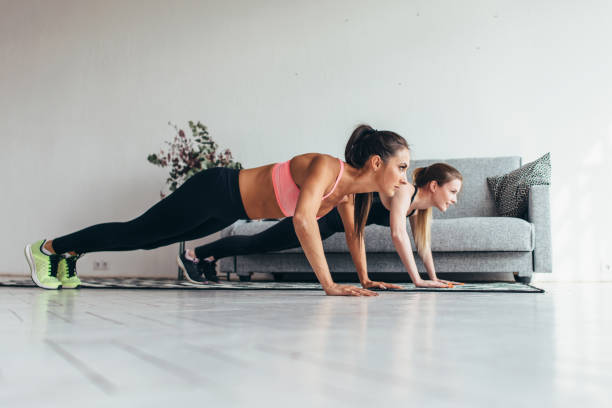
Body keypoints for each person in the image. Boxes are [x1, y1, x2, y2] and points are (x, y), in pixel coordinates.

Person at [25, 125, 409, 296]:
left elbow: (354, 234)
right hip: (216, 190)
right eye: (402, 167)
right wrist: (329, 285)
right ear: (377, 163)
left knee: (147, 241)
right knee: (137, 232)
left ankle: (69, 254)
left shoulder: (346, 196)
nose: (404, 179)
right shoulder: (326, 168)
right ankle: (49, 249)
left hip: (227, 210)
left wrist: (365, 279)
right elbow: (303, 219)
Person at [179, 164, 464, 289]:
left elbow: (422, 245)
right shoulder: (405, 191)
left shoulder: (420, 210)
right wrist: (417, 280)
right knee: (259, 243)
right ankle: (194, 254)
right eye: (453, 192)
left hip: (330, 225)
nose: (455, 199)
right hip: (319, 219)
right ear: (434, 185)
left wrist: (433, 277)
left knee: (263, 243)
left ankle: (206, 257)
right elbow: (397, 234)